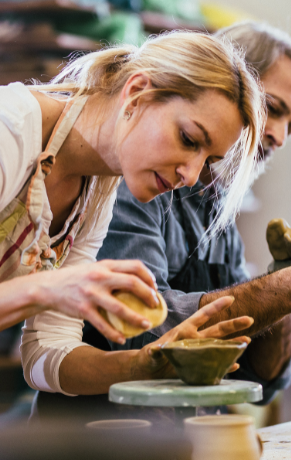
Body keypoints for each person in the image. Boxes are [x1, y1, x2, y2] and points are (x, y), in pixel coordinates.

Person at [75, 22, 291, 405]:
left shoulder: (215, 201)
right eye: (272, 110)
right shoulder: (134, 175)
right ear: (229, 85)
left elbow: (260, 379)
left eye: (290, 127)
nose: (277, 135)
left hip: (186, 447)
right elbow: (146, 332)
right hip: (97, 446)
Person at [9, 31, 267, 397]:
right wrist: (52, 288)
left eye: (207, 160)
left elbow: (45, 356)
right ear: (136, 93)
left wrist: (143, 363)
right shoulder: (11, 131)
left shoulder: (97, 191)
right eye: (189, 139)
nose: (190, 176)